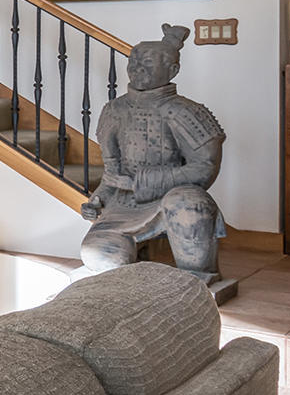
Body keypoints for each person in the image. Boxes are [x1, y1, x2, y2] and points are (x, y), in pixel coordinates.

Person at [80, 24, 225, 284]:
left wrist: (141, 182)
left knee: (189, 203)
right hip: (124, 207)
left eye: (147, 63)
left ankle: (196, 279)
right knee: (99, 258)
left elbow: (204, 167)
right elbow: (113, 174)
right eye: (133, 62)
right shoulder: (114, 110)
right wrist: (98, 199)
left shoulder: (185, 111)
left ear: (173, 70)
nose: (137, 69)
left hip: (172, 197)